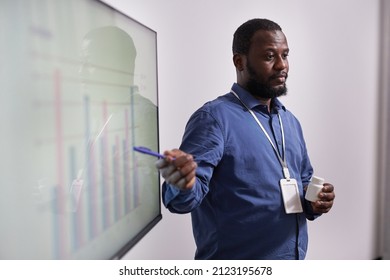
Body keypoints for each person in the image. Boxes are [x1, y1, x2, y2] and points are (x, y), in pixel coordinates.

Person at [155, 18, 335, 260]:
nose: (282, 65)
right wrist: (183, 183)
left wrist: (314, 200)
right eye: (270, 56)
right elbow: (181, 201)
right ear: (239, 61)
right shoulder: (214, 118)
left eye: (285, 55)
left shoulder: (289, 121)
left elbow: (303, 179)